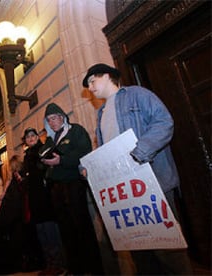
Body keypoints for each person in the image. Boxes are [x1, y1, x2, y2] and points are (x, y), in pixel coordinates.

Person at [82, 63, 193, 274]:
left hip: (153, 182)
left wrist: (139, 152)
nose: (90, 87)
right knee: (139, 250)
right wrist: (91, 168)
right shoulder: (101, 113)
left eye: (92, 81)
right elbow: (108, 150)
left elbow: (163, 122)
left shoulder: (137, 94)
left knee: (169, 250)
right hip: (125, 191)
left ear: (106, 76)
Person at [40, 103, 104, 274]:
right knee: (65, 228)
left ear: (62, 116)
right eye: (49, 120)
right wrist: (44, 162)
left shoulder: (76, 131)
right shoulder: (49, 139)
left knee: (81, 225)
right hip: (56, 189)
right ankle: (76, 268)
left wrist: (61, 160)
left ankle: (93, 268)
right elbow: (41, 160)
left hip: (73, 185)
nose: (52, 122)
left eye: (54, 118)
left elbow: (84, 152)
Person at [22, 127, 65, 275]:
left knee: (50, 230)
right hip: (34, 200)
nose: (31, 138)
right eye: (28, 137)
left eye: (33, 135)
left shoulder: (43, 150)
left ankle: (58, 264)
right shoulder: (27, 155)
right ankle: (49, 264)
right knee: (41, 233)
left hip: (46, 197)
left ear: (37, 137)